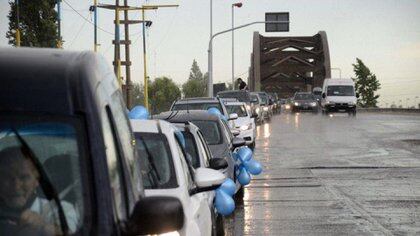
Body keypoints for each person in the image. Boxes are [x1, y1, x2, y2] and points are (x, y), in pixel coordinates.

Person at [0, 147, 78, 235]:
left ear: (36, 180)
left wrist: (43, 227)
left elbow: (68, 233)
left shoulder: (60, 209)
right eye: (7, 177)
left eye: (24, 177)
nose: (16, 186)